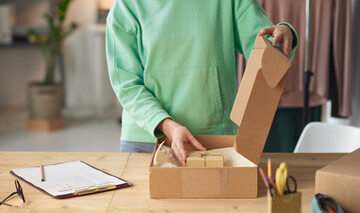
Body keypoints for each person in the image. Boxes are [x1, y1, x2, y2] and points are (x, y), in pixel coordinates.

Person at [106, 0, 298, 166]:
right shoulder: (126, 6)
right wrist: (167, 125)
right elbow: (126, 84)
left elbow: (267, 51)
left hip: (213, 138)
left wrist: (284, 34)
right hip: (147, 138)